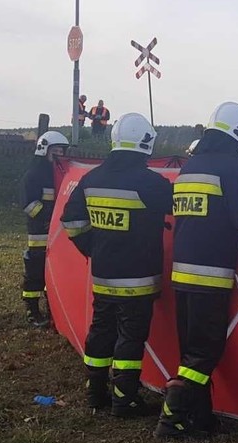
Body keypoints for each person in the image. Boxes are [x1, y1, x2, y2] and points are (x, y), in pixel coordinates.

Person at [154, 102, 238, 439]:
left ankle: (201, 420)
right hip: (210, 274)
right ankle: (170, 418)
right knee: (205, 351)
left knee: (191, 351)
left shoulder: (190, 167)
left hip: (182, 273)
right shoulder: (230, 169)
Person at [61, 113, 173, 417]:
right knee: (130, 337)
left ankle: (95, 393)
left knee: (101, 331)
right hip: (138, 278)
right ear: (146, 144)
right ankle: (125, 400)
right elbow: (179, 207)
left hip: (104, 275)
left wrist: (95, 248)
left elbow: (71, 221)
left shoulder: (92, 178)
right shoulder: (151, 183)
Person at [19, 131, 69, 327]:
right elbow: (28, 204)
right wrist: (47, 218)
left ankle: (52, 309)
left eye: (62, 151)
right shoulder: (34, 175)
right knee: (35, 273)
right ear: (44, 150)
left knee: (54, 273)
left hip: (57, 234)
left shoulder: (59, 175)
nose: (59, 155)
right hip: (40, 234)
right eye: (55, 151)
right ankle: (32, 311)